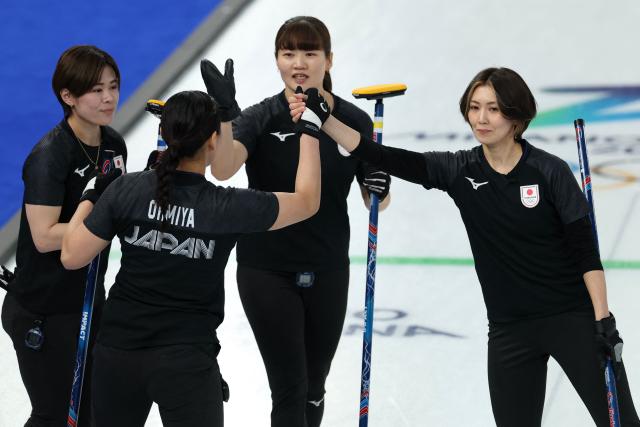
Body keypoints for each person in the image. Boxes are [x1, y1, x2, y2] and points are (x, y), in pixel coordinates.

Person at [289, 67, 640, 426]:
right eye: (475, 107)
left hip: (573, 320)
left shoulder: (549, 172)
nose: (481, 118)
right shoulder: (461, 169)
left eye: (493, 108)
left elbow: (586, 252)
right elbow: (387, 156)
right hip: (509, 330)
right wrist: (325, 120)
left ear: (516, 116)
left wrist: (603, 319)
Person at [60, 89, 323, 427]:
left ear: (166, 136)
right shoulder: (227, 207)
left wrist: (93, 194)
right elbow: (307, 201)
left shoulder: (126, 189)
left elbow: (71, 256)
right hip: (186, 363)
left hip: (118, 353)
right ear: (212, 141)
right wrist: (311, 128)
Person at [199, 15, 392, 427]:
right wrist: (225, 116)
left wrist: (380, 185)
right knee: (289, 385)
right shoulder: (262, 116)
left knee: (314, 386)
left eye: (309, 52)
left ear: (329, 59)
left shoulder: (354, 121)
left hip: (328, 266)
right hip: (266, 268)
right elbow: (224, 169)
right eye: (289, 53)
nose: (299, 62)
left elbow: (375, 196)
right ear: (277, 60)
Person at [0, 45, 126, 427]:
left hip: (88, 301)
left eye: (113, 87)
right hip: (44, 309)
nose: (108, 98)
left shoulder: (113, 146)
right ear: (67, 96)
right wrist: (101, 221)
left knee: (92, 413)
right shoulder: (50, 156)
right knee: (55, 415)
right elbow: (43, 236)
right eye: (95, 90)